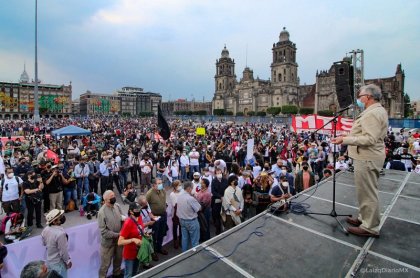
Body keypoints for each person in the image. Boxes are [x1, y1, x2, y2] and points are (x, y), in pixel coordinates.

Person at [332, 84, 388, 238]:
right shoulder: (374, 111)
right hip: (365, 156)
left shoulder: (373, 113)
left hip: (368, 157)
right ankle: (364, 218)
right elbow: (366, 133)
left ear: (368, 97)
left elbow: (370, 138)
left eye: (360, 96)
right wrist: (347, 135)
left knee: (368, 193)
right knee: (364, 192)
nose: (358, 99)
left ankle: (370, 227)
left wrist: (345, 139)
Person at [97, 190, 124, 278]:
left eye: (114, 195)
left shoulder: (117, 206)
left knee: (118, 259)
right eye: (112, 196)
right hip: (108, 244)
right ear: (106, 199)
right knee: (105, 264)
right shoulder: (102, 212)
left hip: (119, 240)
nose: (114, 197)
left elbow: (122, 218)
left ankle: (117, 274)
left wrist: (123, 230)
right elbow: (104, 232)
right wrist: (118, 234)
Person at [41, 209, 72, 278]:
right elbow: (63, 251)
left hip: (49, 261)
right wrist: (68, 261)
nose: (62, 217)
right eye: (60, 217)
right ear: (54, 222)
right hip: (58, 264)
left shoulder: (46, 229)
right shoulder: (60, 234)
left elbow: (44, 243)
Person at [118, 203, 143, 278]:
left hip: (138, 251)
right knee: (128, 275)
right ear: (131, 211)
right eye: (136, 210)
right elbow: (120, 242)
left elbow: (140, 228)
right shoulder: (128, 223)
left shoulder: (140, 217)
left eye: (139, 209)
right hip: (129, 254)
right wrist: (133, 240)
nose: (138, 211)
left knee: (136, 273)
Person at [146, 178, 168, 260]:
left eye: (161, 183)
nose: (161, 184)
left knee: (161, 233)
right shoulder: (149, 194)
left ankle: (159, 248)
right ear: (154, 185)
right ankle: (153, 252)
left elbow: (164, 200)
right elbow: (145, 205)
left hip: (163, 215)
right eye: (159, 183)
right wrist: (151, 215)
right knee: (154, 235)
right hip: (155, 217)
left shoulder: (163, 190)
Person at [177, 181, 201, 252]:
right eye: (192, 188)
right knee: (195, 240)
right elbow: (199, 208)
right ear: (189, 188)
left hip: (182, 221)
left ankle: (184, 253)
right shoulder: (190, 198)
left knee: (184, 239)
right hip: (191, 221)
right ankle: (195, 255)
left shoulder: (180, 196)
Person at [210, 168, 228, 235]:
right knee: (217, 216)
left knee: (224, 215)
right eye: (217, 173)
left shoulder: (225, 180)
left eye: (220, 173)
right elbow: (213, 191)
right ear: (215, 174)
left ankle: (225, 227)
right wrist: (220, 196)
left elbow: (227, 189)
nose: (219, 174)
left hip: (225, 200)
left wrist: (224, 197)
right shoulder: (214, 181)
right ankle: (218, 230)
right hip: (216, 200)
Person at [169, 180, 182, 249]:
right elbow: (175, 205)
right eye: (179, 185)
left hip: (182, 213)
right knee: (175, 227)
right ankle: (175, 241)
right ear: (175, 186)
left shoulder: (182, 192)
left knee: (181, 227)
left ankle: (180, 240)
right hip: (175, 214)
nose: (180, 186)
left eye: (180, 185)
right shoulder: (172, 194)